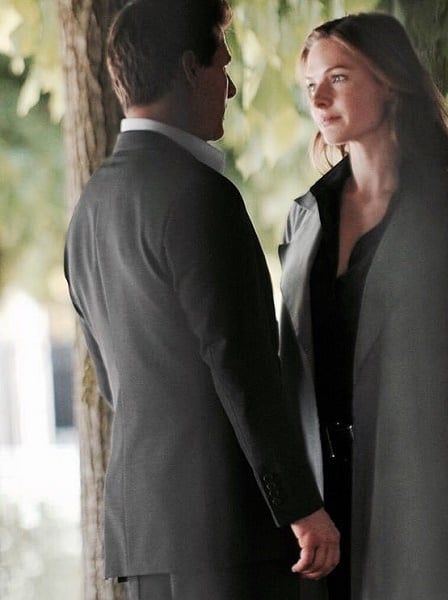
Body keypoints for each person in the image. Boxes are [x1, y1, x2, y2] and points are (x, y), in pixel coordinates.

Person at [64, 1, 340, 598]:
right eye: (224, 66)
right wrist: (300, 505)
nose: (231, 87)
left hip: (144, 538)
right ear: (191, 69)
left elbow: (115, 383)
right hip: (225, 534)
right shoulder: (201, 195)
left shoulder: (88, 209)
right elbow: (242, 366)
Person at [279, 13, 448, 600]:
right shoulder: (304, 218)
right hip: (318, 512)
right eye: (311, 85)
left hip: (419, 496)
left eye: (338, 78)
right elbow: (290, 370)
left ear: (390, 81)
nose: (319, 99)